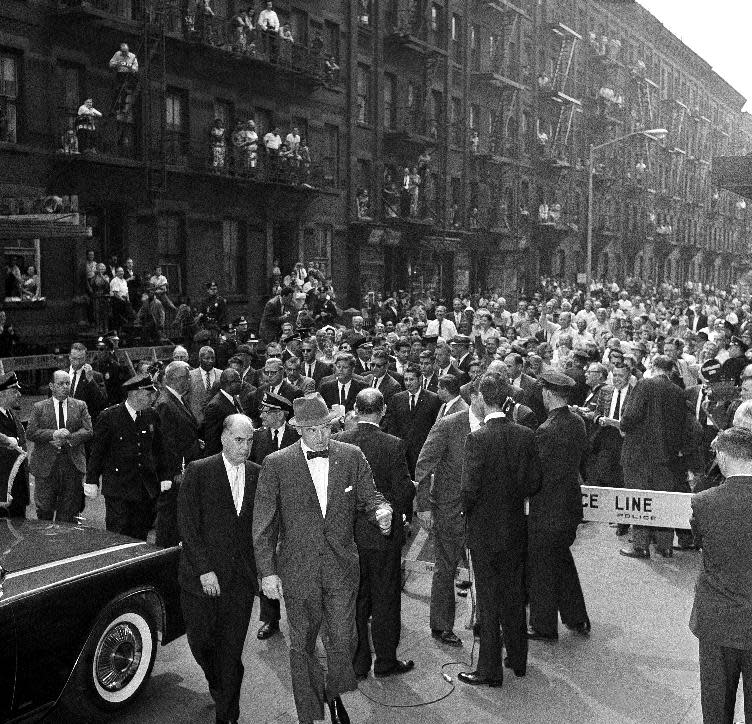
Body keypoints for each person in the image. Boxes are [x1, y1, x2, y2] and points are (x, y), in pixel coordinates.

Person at [253, 394, 393, 724]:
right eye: (312, 430)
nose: (321, 436)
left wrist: (382, 512)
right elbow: (263, 526)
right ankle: (311, 710)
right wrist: (267, 573)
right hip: (298, 569)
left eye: (325, 428)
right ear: (299, 430)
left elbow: (370, 497)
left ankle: (333, 692)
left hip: (342, 567)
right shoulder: (276, 463)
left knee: (344, 638)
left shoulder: (351, 456)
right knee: (301, 644)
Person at [459, 373, 541, 686]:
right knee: (514, 594)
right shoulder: (525, 435)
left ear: (482, 398)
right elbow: (534, 483)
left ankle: (489, 670)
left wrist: (468, 511)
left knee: (489, 602)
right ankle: (518, 660)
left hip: (484, 532)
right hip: (515, 528)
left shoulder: (477, 438)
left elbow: (468, 490)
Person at [178, 414, 260, 724]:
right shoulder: (199, 471)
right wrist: (204, 569)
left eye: (250, 441)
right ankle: (218, 683)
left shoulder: (257, 474)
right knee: (201, 643)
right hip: (200, 579)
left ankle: (228, 715)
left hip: (239, 581)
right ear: (224, 438)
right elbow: (187, 524)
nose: (245, 447)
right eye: (240, 440)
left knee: (230, 653)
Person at [335, 388, 415, 679]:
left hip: (350, 537)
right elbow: (403, 490)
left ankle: (358, 663)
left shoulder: (339, 442)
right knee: (386, 599)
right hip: (382, 537)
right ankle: (385, 662)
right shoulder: (394, 445)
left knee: (356, 601)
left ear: (355, 410)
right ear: (382, 411)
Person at [689, 426, 752, 724]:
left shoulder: (704, 502)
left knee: (716, 708)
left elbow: (699, 543)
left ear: (723, 457)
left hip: (717, 622)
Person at [415, 379, 484, 647]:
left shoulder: (493, 425)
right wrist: (423, 506)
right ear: (473, 397)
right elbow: (423, 466)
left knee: (483, 569)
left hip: (481, 511)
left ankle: (481, 622)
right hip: (449, 509)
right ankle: (442, 625)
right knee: (446, 568)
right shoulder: (448, 425)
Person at [527, 369, 591, 640]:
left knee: (541, 566)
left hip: (547, 508)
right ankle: (577, 617)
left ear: (549, 393)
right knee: (561, 560)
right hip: (569, 504)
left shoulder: (546, 430)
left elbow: (536, 473)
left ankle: (543, 626)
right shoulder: (578, 422)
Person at [619, 354, 693, 559]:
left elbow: (630, 416)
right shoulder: (679, 392)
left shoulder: (644, 385)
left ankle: (641, 546)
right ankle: (665, 546)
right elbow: (682, 425)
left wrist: (623, 425)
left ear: (653, 366)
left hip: (639, 454)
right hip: (667, 457)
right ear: (671, 370)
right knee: (663, 501)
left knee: (638, 499)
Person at [85, 374, 170, 540]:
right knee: (118, 535)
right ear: (135, 394)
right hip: (119, 489)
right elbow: (98, 453)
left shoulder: (151, 415)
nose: (152, 397)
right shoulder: (109, 417)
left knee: (140, 535)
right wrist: (92, 480)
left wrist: (164, 476)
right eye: (148, 394)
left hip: (144, 488)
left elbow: (159, 449)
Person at [26, 370, 93, 523]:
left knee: (69, 510)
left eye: (68, 383)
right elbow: (30, 433)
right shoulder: (39, 407)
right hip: (46, 467)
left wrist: (68, 439)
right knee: (44, 509)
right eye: (60, 384)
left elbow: (89, 430)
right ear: (51, 386)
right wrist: (54, 434)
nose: (65, 387)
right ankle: (45, 543)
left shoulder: (80, 405)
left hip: (72, 465)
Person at [153, 361, 204, 547]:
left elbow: (180, 432)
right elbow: (165, 443)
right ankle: (164, 555)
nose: (189, 380)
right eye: (186, 376)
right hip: (176, 474)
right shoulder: (166, 403)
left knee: (177, 516)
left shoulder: (178, 399)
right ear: (175, 378)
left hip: (184, 467)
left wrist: (194, 442)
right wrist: (173, 473)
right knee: (170, 517)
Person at [384, 362, 441, 477]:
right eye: (406, 380)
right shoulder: (397, 399)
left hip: (423, 451)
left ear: (420, 379)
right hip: (402, 452)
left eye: (411, 379)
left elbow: (436, 426)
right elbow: (391, 425)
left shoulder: (433, 399)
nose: (408, 383)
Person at [0, 372, 30, 519]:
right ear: (1, 395)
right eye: (14, 391)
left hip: (17, 490)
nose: (19, 394)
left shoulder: (11, 414)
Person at [203, 368, 245, 457]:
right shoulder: (215, 406)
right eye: (239, 381)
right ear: (230, 383)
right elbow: (212, 439)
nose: (242, 383)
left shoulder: (234, 398)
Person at [188, 345, 221, 426]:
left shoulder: (221, 374)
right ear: (200, 359)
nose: (210, 361)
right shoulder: (190, 376)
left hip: (217, 421)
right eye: (206, 358)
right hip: (196, 421)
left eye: (212, 358)